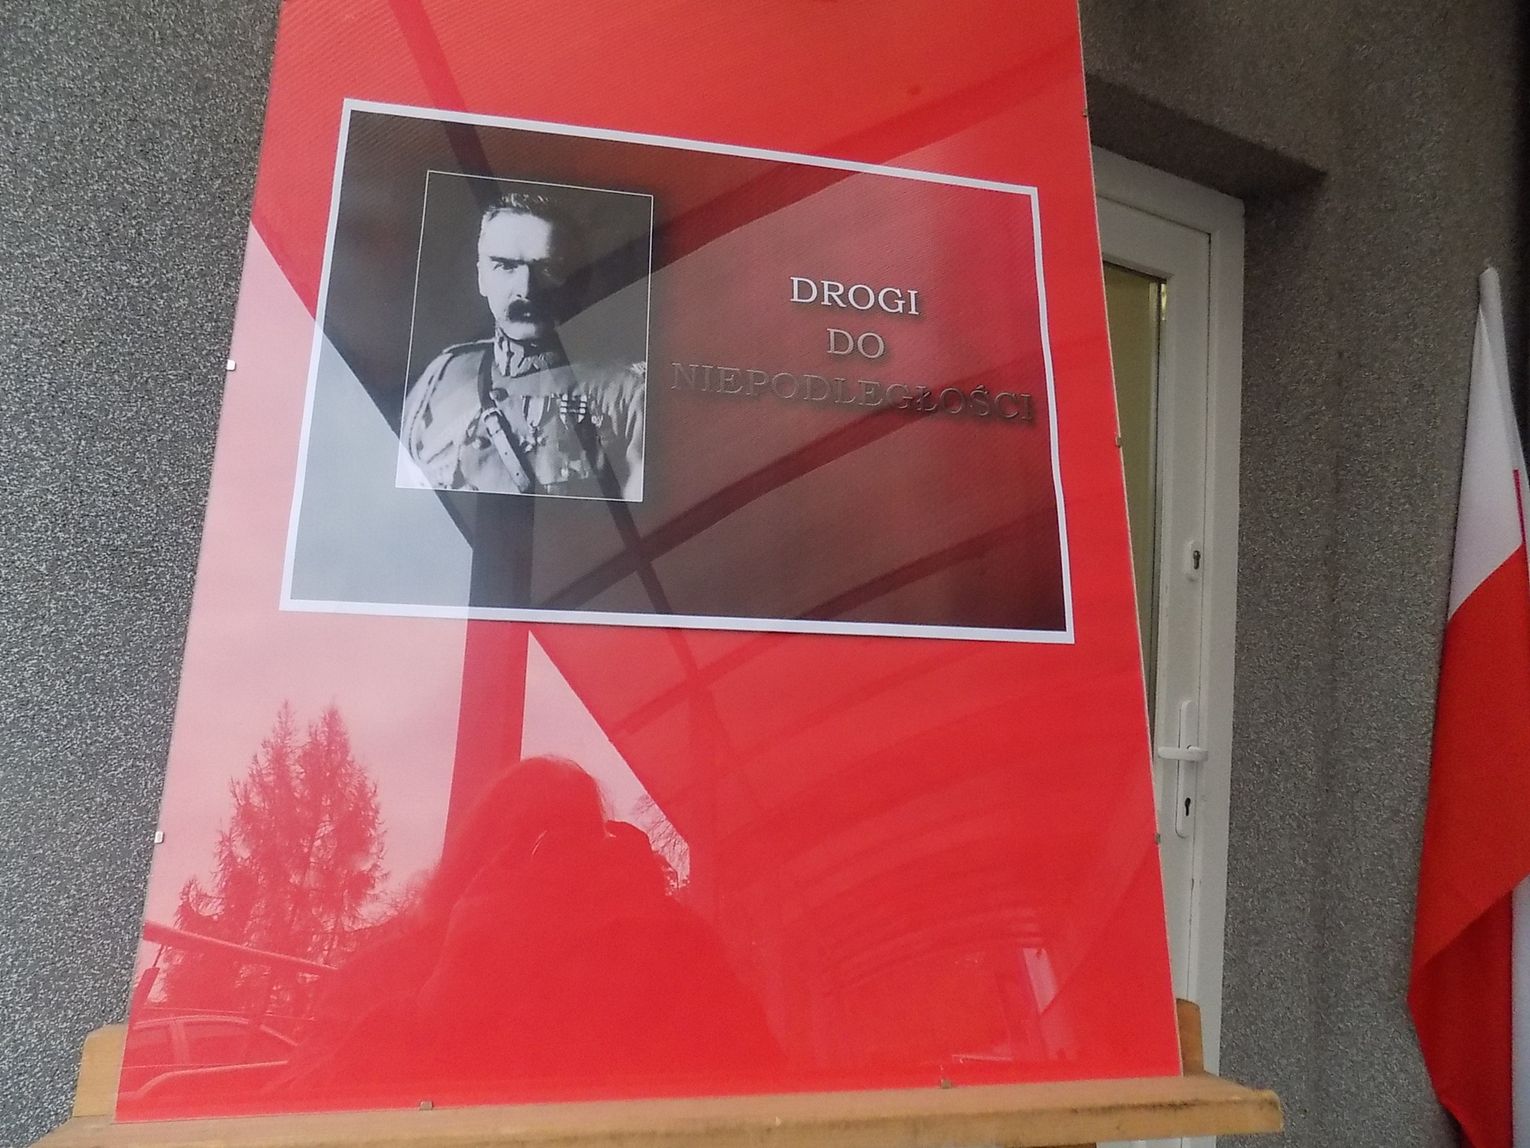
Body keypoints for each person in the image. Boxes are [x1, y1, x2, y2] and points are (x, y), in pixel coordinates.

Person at [279, 756, 781, 1108]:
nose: (550, 874)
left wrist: (660, 935)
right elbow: (296, 1110)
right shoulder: (390, 972)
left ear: (606, 857)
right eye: (526, 848)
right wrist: (438, 1000)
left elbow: (759, 1089)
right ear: (478, 864)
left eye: (573, 846)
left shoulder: (661, 953)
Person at [400, 188, 646, 501]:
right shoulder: (441, 376)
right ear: (482, 278)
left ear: (577, 281)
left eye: (548, 269)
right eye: (505, 266)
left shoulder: (626, 393)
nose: (527, 289)